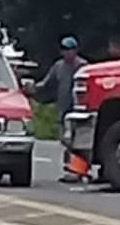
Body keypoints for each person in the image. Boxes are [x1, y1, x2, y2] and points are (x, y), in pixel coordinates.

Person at [35, 35, 88, 183]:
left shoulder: (83, 66)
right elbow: (46, 83)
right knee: (66, 141)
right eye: (64, 49)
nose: (67, 53)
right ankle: (69, 169)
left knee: (78, 141)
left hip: (79, 110)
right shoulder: (58, 67)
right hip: (63, 110)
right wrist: (33, 88)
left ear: (76, 50)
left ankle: (78, 170)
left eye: (70, 49)